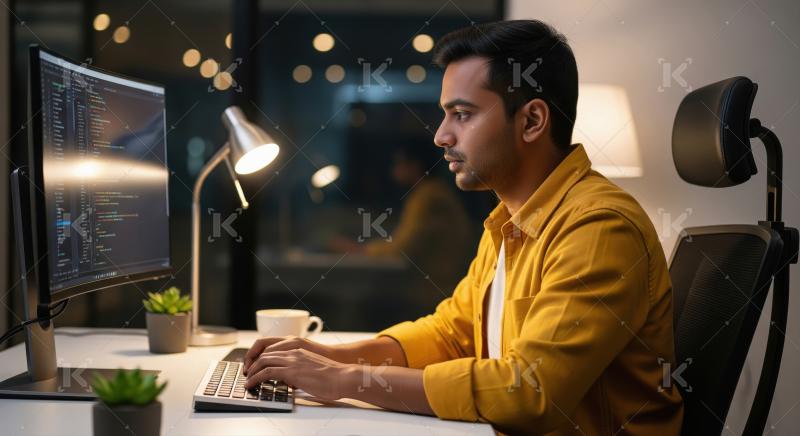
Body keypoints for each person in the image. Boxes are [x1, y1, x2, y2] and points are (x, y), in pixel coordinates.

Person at [243, 19, 684, 435]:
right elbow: (453, 333)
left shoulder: (598, 227)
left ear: (531, 120)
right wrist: (334, 357)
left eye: (463, 114)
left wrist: (344, 380)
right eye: (445, 114)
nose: (441, 136)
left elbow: (529, 390)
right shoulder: (510, 220)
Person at [330, 141, 473, 312]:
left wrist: (358, 250)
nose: (394, 171)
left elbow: (402, 248)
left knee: (358, 305)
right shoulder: (430, 192)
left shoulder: (428, 196)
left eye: (399, 163)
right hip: (437, 286)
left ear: (415, 166)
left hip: (434, 292)